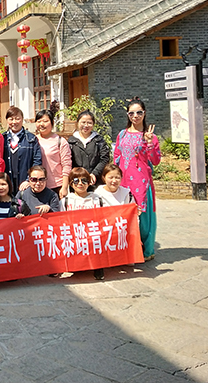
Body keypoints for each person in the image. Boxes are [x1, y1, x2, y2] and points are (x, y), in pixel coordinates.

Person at [113, 98, 160, 262]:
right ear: (127, 115)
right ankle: (127, 249)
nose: (135, 116)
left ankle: (146, 250)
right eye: (131, 113)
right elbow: (117, 157)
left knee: (144, 218)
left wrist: (149, 143)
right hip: (123, 182)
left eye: (139, 112)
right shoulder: (122, 134)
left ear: (144, 113)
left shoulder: (150, 137)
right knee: (125, 217)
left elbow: (155, 161)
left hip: (141, 182)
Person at [59, 168, 105, 280]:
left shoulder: (97, 199)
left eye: (84, 181)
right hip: (74, 233)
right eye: (76, 181)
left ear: (89, 182)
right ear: (71, 183)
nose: (80, 184)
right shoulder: (66, 201)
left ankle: (98, 267)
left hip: (92, 233)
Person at [3, 106, 42, 194]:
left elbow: (37, 161)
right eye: (11, 119)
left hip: (25, 183)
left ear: (22, 119)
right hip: (7, 183)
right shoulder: (2, 138)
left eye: (17, 119)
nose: (14, 122)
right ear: (7, 120)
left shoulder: (31, 139)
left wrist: (29, 180)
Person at [35, 109, 72, 199]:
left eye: (45, 121)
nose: (41, 124)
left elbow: (67, 165)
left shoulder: (60, 141)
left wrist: (64, 187)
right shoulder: (32, 140)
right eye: (38, 121)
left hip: (56, 186)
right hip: (37, 186)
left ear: (52, 122)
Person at [67, 110, 111, 186]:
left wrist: (94, 174)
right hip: (77, 183)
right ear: (78, 123)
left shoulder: (99, 141)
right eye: (83, 122)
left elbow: (104, 159)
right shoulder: (71, 142)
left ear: (93, 124)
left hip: (96, 181)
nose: (86, 125)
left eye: (89, 123)